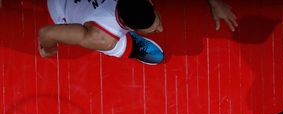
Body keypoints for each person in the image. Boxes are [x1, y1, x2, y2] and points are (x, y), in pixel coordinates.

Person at [38, 0, 238, 64]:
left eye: (156, 22)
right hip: (60, 6)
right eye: (153, 29)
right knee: (112, 45)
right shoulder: (101, 36)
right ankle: (130, 46)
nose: (161, 28)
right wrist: (48, 48)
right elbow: (47, 32)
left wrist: (215, 2)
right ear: (131, 28)